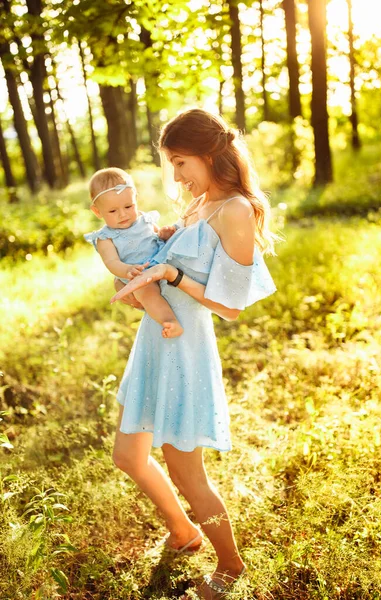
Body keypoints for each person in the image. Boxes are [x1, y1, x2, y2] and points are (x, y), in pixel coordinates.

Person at [110, 109, 278, 600]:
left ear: (208, 154)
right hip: (154, 342)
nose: (177, 176)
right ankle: (184, 533)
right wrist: (155, 252)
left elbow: (230, 306)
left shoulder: (235, 210)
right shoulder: (197, 204)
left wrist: (173, 276)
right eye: (172, 164)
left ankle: (229, 566)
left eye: (181, 162)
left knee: (185, 469)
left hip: (186, 346)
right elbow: (174, 261)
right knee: (127, 455)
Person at [84, 167, 183, 338]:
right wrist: (127, 270)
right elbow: (112, 263)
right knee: (148, 293)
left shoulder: (145, 220)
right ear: (97, 211)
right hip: (138, 274)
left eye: (129, 206)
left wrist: (164, 234)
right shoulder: (105, 238)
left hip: (163, 263)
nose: (123, 214)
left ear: (136, 199)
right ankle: (170, 321)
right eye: (113, 211)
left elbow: (157, 236)